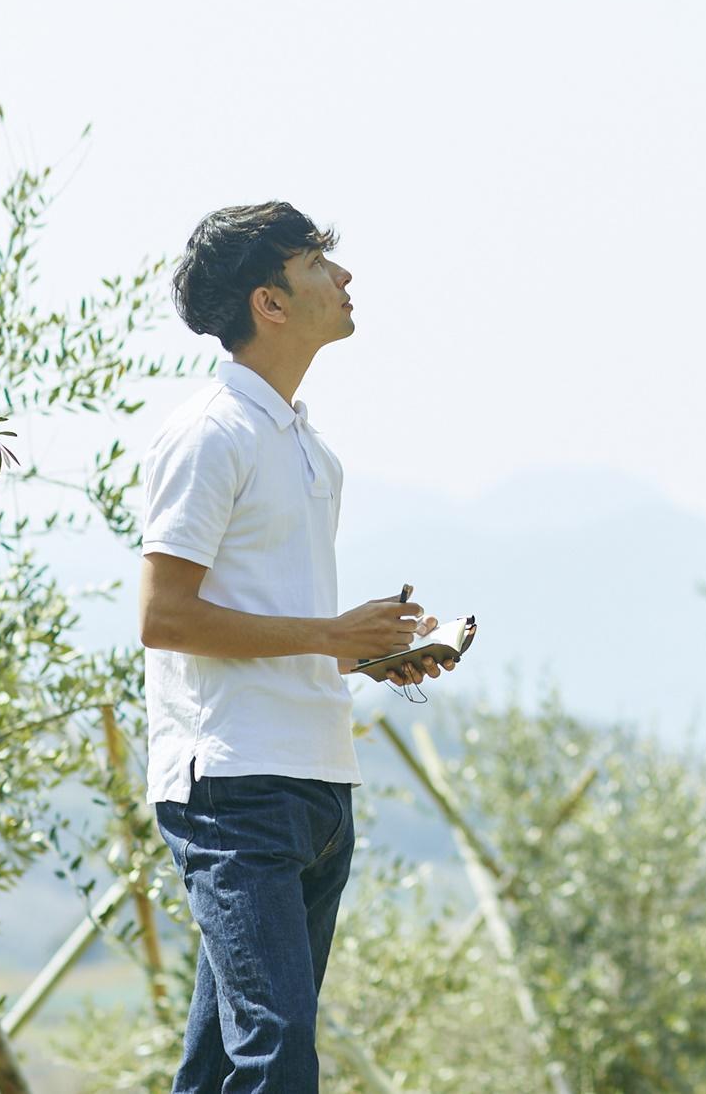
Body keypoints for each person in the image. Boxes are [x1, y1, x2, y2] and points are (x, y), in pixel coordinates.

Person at [136, 202, 457, 1093]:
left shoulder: (309, 445)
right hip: (233, 787)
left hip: (316, 782)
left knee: (223, 1065)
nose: (344, 277)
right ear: (269, 301)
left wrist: (367, 653)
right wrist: (328, 634)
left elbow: (268, 622)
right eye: (319, 262)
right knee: (277, 1056)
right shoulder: (209, 434)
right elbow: (164, 616)